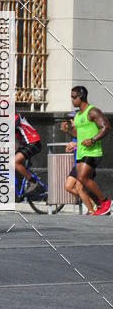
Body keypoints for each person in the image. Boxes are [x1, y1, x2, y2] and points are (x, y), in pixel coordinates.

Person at [60, 85, 111, 216]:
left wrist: (92, 140)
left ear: (81, 96)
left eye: (74, 97)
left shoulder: (92, 111)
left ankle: (105, 201)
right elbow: (78, 134)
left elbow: (106, 127)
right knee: (81, 180)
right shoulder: (77, 115)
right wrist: (67, 130)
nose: (72, 100)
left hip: (93, 152)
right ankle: (99, 204)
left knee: (82, 177)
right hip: (81, 152)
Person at [14, 112, 42, 196]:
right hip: (25, 145)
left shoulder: (15, 117)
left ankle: (33, 182)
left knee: (14, 162)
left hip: (33, 143)